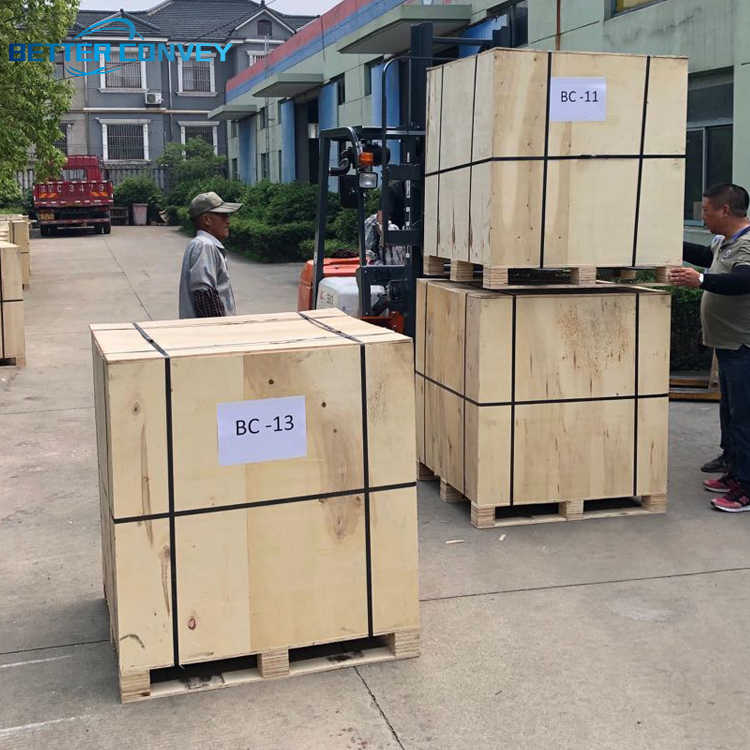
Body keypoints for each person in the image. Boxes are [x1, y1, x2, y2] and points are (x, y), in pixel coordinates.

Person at [670, 183, 750, 511]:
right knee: (730, 412)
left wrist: (701, 280)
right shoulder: (723, 242)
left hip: (743, 345)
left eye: (705, 211)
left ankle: (746, 487)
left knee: (744, 418)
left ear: (724, 210)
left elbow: (745, 280)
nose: (702, 217)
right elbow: (707, 257)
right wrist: (666, 241)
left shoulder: (747, 244)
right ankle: (733, 467)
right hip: (727, 344)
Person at [179, 191, 242, 318]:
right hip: (210, 329)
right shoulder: (205, 245)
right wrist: (219, 328)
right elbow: (205, 296)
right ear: (207, 220)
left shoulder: (201, 244)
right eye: (223, 216)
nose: (228, 221)